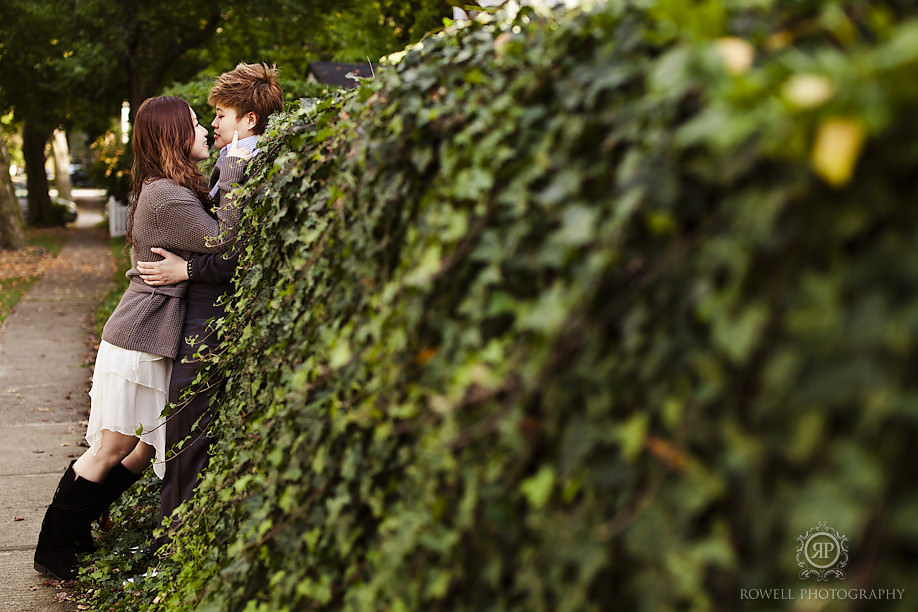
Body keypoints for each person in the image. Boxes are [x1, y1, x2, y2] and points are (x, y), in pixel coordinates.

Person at [34, 96, 242, 581]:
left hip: (152, 337)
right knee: (112, 446)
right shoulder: (166, 196)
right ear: (174, 134)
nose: (206, 131)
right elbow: (226, 241)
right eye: (196, 123)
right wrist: (233, 168)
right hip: (139, 336)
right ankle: (54, 545)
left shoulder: (171, 187)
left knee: (144, 447)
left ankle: (78, 529)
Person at [135, 62, 283, 532]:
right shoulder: (231, 161)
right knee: (181, 433)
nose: (212, 122)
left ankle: (171, 541)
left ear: (248, 120)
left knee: (185, 435)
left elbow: (233, 249)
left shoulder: (242, 162)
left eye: (220, 114)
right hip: (200, 318)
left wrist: (187, 268)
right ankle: (170, 535)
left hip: (208, 322)